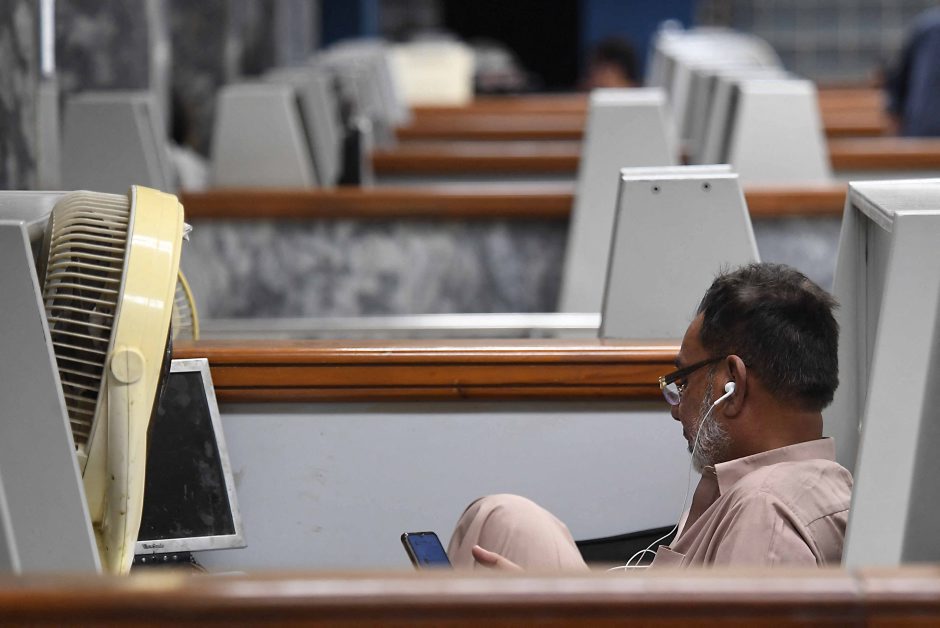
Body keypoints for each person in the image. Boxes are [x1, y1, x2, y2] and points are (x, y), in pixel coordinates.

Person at [448, 263, 853, 570]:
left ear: (732, 384)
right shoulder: (790, 488)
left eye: (684, 381)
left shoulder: (766, 514)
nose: (676, 408)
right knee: (505, 519)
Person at [885, 7, 940, 137]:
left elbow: (898, 80)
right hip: (923, 126)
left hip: (921, 127)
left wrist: (895, 110)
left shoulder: (926, 26)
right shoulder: (927, 27)